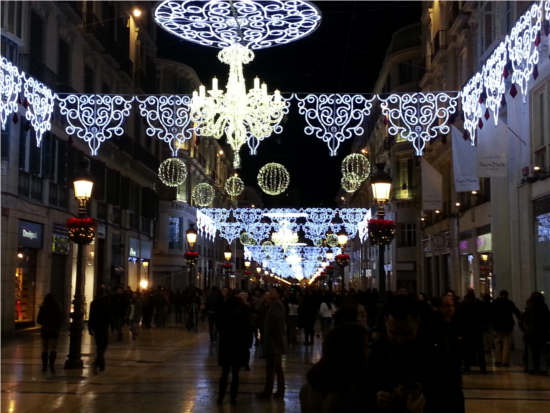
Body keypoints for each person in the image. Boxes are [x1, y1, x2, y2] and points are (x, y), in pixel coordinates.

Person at [366, 295, 465, 413]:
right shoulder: (376, 351)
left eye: (407, 333)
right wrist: (376, 399)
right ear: (385, 321)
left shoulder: (436, 352)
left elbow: (452, 397)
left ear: (417, 321)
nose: (400, 339)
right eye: (394, 333)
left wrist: (427, 403)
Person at [299, 322, 371, 413]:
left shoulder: (308, 389)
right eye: (366, 346)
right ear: (354, 353)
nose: (369, 351)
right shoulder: (351, 394)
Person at [216, 292, 252, 405]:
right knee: (235, 374)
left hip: (225, 346)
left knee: (224, 373)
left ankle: (220, 397)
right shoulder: (241, 315)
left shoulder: (223, 314)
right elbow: (247, 331)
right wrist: (247, 345)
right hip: (237, 346)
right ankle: (233, 398)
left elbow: (218, 328)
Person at [256, 287, 287, 399]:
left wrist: (269, 334)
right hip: (275, 340)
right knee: (277, 367)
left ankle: (268, 392)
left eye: (273, 291)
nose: (270, 293)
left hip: (274, 341)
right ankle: (280, 390)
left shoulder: (276, 304)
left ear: (278, 294)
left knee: (271, 368)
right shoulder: (273, 304)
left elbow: (274, 320)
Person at [519, 291, 550, 375]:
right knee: (543, 351)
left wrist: (524, 330)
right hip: (542, 332)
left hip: (530, 333)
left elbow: (521, 320)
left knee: (531, 351)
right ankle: (543, 368)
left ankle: (531, 368)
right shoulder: (544, 307)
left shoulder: (529, 307)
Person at [459, 289, 488, 374]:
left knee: (467, 349)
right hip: (477, 329)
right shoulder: (479, 303)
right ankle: (483, 367)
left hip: (467, 329)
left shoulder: (463, 303)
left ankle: (468, 366)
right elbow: (484, 315)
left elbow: (461, 317)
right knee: (480, 350)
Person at [491, 290, 521, 367]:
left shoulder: (494, 302)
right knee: (506, 343)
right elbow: (516, 312)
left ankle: (498, 360)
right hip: (507, 325)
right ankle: (505, 361)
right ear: (507, 295)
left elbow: (490, 313)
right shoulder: (509, 303)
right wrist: (520, 319)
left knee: (497, 343)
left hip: (497, 325)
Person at [36, 293, 63, 373]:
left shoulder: (43, 307)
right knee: (53, 349)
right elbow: (59, 319)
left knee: (45, 349)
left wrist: (45, 322)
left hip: (45, 330)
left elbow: (39, 320)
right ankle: (52, 365)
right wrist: (58, 327)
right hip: (54, 330)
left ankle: (44, 367)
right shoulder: (57, 307)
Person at [88, 287, 112, 374]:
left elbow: (91, 316)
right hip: (103, 326)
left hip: (96, 327)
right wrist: (111, 326)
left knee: (99, 345)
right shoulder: (106, 303)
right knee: (103, 345)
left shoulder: (93, 303)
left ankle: (101, 363)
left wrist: (89, 328)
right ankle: (97, 362)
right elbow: (109, 316)